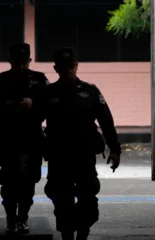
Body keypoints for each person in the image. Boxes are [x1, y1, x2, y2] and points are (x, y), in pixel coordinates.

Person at [34, 47, 121, 240]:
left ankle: (82, 234)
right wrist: (39, 147)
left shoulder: (90, 92)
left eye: (71, 67)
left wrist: (115, 150)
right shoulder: (48, 93)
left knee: (88, 198)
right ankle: (67, 235)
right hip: (59, 157)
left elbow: (106, 121)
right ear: (56, 69)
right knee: (62, 200)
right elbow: (33, 123)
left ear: (76, 66)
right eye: (63, 68)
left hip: (84, 156)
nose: (68, 71)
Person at [0, 43, 49, 234]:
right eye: (17, 62)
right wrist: (9, 106)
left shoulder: (39, 80)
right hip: (8, 138)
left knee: (29, 182)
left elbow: (50, 105)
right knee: (9, 181)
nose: (21, 66)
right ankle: (11, 219)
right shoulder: (2, 80)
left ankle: (23, 218)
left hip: (31, 138)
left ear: (29, 60)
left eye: (24, 62)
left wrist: (33, 103)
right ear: (10, 61)